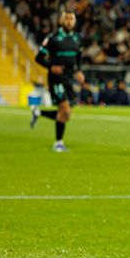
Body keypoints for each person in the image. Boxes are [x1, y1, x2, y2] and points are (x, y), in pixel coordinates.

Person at [30, 9, 85, 152]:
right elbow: (38, 58)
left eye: (72, 19)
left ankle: (38, 112)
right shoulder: (53, 38)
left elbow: (79, 57)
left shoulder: (78, 39)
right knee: (65, 110)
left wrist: (79, 70)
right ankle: (58, 143)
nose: (69, 21)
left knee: (66, 114)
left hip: (68, 79)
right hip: (56, 79)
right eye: (66, 18)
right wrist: (51, 66)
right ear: (61, 21)